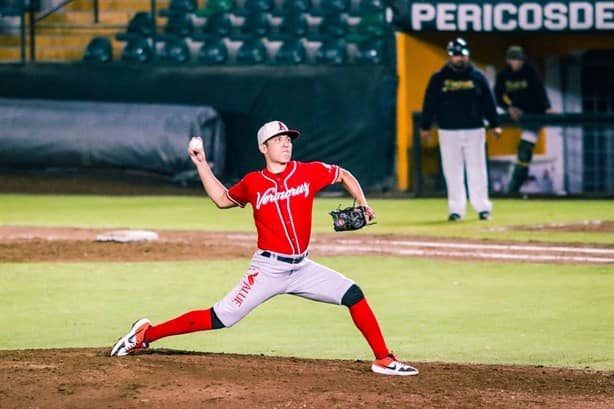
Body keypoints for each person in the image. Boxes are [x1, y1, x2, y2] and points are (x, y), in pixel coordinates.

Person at [110, 120, 419, 376]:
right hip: (268, 269)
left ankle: (383, 359)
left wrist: (363, 204)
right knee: (221, 317)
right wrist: (201, 163)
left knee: (353, 294)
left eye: (288, 139)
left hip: (302, 268)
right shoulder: (253, 182)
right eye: (278, 139)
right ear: (263, 148)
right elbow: (222, 200)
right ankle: (145, 335)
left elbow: (343, 174)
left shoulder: (307, 172)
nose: (286, 144)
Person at [420, 38, 502, 222]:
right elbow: (429, 103)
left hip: (474, 129)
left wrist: (495, 123)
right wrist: (425, 126)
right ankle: (457, 209)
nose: (460, 58)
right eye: (456, 55)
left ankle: (483, 207)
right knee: (452, 171)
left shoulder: (477, 76)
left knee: (477, 169)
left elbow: (489, 101)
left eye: (462, 55)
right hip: (448, 130)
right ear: (450, 56)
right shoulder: (439, 78)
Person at [494, 45, 553, 194]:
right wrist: (509, 108)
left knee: (525, 150)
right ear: (508, 60)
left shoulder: (530, 71)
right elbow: (497, 96)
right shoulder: (503, 75)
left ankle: (514, 188)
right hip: (516, 113)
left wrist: (547, 107)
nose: (518, 62)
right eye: (514, 59)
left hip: (534, 113)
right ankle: (515, 186)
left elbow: (540, 91)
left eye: (520, 59)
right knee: (523, 150)